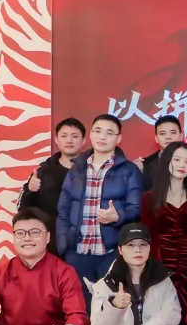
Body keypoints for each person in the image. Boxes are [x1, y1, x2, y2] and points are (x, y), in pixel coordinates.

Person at [57, 114, 143, 292]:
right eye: (98, 131)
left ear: (118, 138)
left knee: (111, 305)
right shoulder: (76, 170)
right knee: (80, 305)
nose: (102, 137)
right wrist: (64, 248)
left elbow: (136, 209)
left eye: (109, 133)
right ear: (90, 134)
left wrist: (118, 216)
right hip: (77, 254)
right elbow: (63, 211)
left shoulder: (129, 170)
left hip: (111, 254)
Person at [140, 141, 187, 311]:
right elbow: (148, 234)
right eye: (177, 160)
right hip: (162, 259)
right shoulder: (150, 197)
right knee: (164, 309)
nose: (182, 165)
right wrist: (155, 265)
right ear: (167, 161)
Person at [19, 117, 86, 233]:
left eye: (75, 136)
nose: (69, 140)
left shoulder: (93, 170)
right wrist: (29, 191)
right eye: (64, 136)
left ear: (83, 140)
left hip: (86, 238)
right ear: (56, 140)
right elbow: (23, 210)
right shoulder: (42, 173)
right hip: (52, 238)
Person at [136, 115, 185, 191]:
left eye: (173, 133)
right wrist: (134, 172)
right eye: (162, 133)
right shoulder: (145, 165)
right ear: (156, 138)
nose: (168, 137)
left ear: (181, 136)